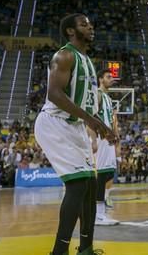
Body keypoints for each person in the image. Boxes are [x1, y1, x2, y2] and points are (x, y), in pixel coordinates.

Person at [34, 13, 115, 255]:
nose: (90, 27)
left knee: (90, 184)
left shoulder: (88, 61)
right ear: (71, 31)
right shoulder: (65, 55)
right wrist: (90, 119)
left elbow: (86, 105)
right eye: (84, 24)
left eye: (91, 24)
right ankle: (59, 251)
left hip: (76, 126)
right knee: (78, 184)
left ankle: (86, 248)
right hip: (54, 123)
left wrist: (102, 124)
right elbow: (54, 94)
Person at [89, 69, 120, 226]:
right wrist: (93, 140)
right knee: (101, 176)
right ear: (100, 79)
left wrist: (114, 134)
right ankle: (98, 215)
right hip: (100, 139)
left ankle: (100, 213)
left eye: (112, 77)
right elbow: (90, 118)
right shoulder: (98, 94)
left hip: (108, 139)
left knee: (108, 174)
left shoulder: (108, 97)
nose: (111, 79)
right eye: (108, 77)